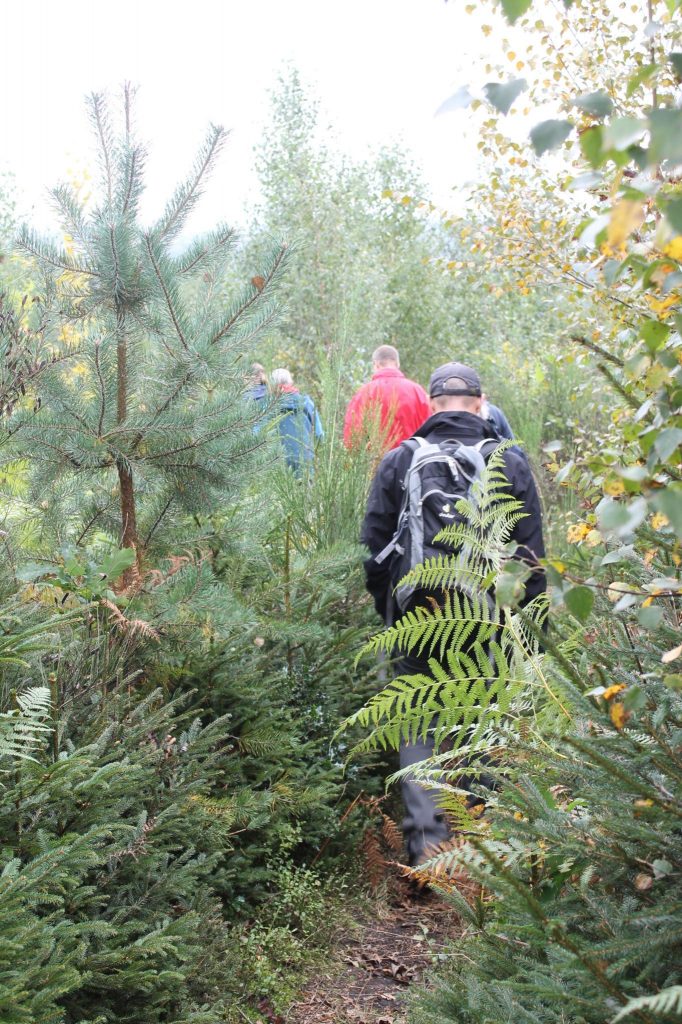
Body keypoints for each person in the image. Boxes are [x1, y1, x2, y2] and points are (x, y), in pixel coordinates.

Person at [360, 361, 545, 866]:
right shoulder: (510, 460)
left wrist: (392, 610)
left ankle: (427, 851)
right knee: (486, 716)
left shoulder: (400, 459)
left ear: (432, 405)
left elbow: (373, 548)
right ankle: (484, 851)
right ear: (481, 404)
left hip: (419, 611)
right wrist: (533, 632)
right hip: (488, 614)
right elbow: (530, 556)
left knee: (418, 720)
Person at [343, 344, 431, 451]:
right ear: (397, 364)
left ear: (376, 364)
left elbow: (352, 439)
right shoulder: (418, 392)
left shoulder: (363, 394)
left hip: (377, 460)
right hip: (413, 458)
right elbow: (430, 431)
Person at [271, 367, 323, 474]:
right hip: (306, 458)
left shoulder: (269, 407)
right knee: (306, 484)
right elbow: (319, 434)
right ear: (291, 382)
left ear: (272, 386)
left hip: (278, 461)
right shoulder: (306, 402)